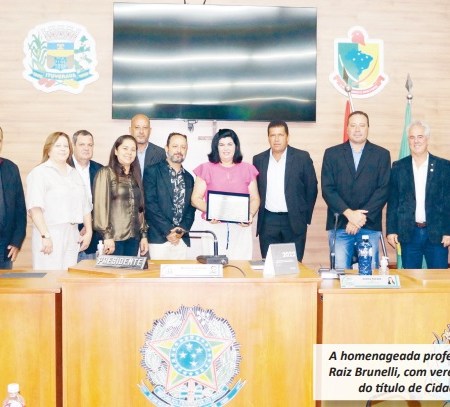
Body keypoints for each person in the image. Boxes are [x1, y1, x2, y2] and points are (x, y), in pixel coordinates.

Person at [321, 111, 391, 269]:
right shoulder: (332, 154)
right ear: (347, 129)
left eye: (362, 125)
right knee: (340, 273)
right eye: (353, 125)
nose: (357, 129)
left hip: (369, 225)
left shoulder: (382, 154)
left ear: (368, 128)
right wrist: (350, 214)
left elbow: (383, 189)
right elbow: (328, 189)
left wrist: (359, 218)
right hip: (340, 224)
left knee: (369, 274)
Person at [387, 120, 450, 269]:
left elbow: (448, 201)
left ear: (427, 139)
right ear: (408, 140)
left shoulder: (444, 166)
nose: (416, 141)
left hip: (437, 234)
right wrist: (391, 230)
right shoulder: (398, 167)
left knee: (438, 279)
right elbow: (393, 201)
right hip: (409, 234)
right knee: (410, 278)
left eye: (420, 136)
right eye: (412, 137)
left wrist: (448, 231)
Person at [253, 120, 318, 262]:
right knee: (270, 265)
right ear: (268, 138)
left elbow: (312, 188)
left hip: (294, 220)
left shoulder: (302, 157)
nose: (276, 139)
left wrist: (304, 217)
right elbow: (255, 190)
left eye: (280, 135)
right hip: (268, 221)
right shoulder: (258, 160)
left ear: (287, 137)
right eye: (272, 135)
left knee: (293, 266)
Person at [26, 132, 92, 270]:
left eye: (66, 146)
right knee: (49, 278)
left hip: (72, 233)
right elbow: (35, 209)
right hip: (50, 232)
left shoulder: (74, 173)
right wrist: (45, 235)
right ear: (48, 149)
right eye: (58, 146)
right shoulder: (39, 173)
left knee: (67, 277)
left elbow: (85, 205)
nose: (63, 149)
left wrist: (89, 232)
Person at [191, 128, 260, 260]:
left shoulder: (248, 169)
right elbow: (195, 199)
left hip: (241, 228)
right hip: (213, 227)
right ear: (216, 147)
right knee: (214, 266)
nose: (226, 148)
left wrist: (249, 215)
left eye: (229, 144)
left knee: (240, 266)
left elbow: (255, 198)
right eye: (221, 144)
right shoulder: (206, 168)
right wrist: (212, 212)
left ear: (236, 146)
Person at [93, 135, 148, 257]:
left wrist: (143, 235)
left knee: (129, 269)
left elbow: (140, 209)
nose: (129, 152)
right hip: (113, 239)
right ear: (116, 151)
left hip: (133, 238)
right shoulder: (106, 173)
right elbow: (100, 207)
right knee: (113, 270)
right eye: (125, 148)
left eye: (133, 149)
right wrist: (107, 236)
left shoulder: (135, 177)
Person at [143, 132, 196, 259]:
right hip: (159, 238)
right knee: (158, 272)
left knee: (180, 272)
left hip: (181, 239)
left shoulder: (189, 178)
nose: (179, 150)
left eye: (183, 147)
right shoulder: (152, 171)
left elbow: (191, 209)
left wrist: (180, 230)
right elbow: (150, 205)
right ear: (166, 148)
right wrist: (168, 231)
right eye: (175, 146)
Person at [68, 130, 103, 261]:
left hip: (94, 235)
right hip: (68, 233)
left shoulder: (101, 170)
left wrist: (89, 226)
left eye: (90, 145)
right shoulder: (64, 168)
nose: (86, 148)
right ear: (73, 146)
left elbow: (104, 203)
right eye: (82, 144)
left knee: (89, 271)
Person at [0, 126, 26, 269]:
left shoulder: (11, 168)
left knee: (5, 283)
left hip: (5, 246)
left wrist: (16, 242)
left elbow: (20, 210)